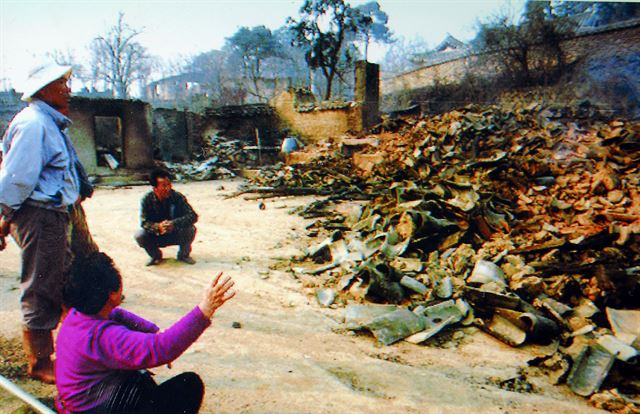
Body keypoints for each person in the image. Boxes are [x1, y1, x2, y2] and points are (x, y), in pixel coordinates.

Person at [55, 252, 235, 413]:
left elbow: (117, 314)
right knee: (188, 386)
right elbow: (160, 348)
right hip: (94, 408)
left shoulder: (79, 314)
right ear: (112, 295)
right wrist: (205, 309)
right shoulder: (102, 336)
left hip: (83, 401)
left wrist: (153, 330)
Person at [0, 62, 89, 383]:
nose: (68, 88)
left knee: (60, 277)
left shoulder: (48, 123)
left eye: (67, 81)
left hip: (52, 214)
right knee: (41, 285)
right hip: (39, 214)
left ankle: (72, 346)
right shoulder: (35, 124)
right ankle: (39, 363)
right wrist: (3, 215)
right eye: (61, 83)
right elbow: (15, 179)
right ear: (42, 89)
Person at [135, 169, 198, 266]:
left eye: (169, 184)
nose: (168, 188)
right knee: (140, 236)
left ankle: (183, 255)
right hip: (157, 235)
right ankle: (155, 256)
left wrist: (174, 223)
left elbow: (193, 216)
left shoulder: (177, 197)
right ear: (155, 188)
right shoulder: (147, 199)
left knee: (191, 229)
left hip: (175, 232)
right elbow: (144, 222)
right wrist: (158, 227)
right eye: (164, 185)